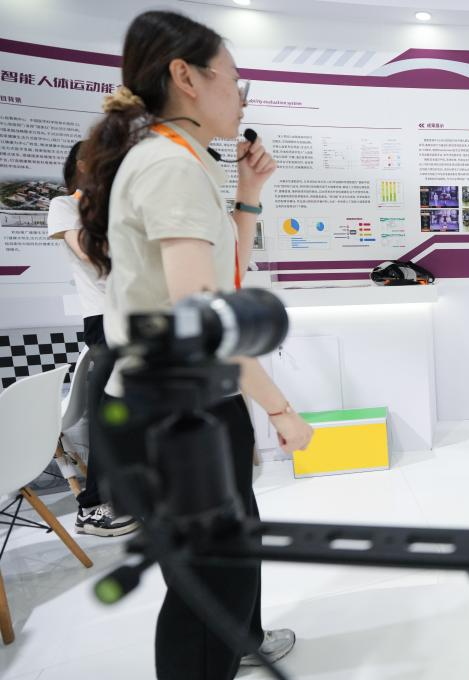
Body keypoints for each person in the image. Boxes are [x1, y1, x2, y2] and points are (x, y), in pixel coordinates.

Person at [77, 10, 313, 679]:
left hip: (188, 399)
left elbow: (223, 276)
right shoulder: (169, 165)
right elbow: (201, 320)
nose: (241, 97)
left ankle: (242, 641)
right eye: (234, 80)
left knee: (232, 548)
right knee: (209, 579)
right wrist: (279, 407)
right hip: (176, 407)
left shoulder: (182, 160)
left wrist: (249, 194)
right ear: (186, 76)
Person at [47, 142, 140, 537]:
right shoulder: (65, 205)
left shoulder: (117, 208)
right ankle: (93, 506)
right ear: (82, 165)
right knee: (110, 412)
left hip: (138, 314)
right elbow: (91, 253)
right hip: (104, 317)